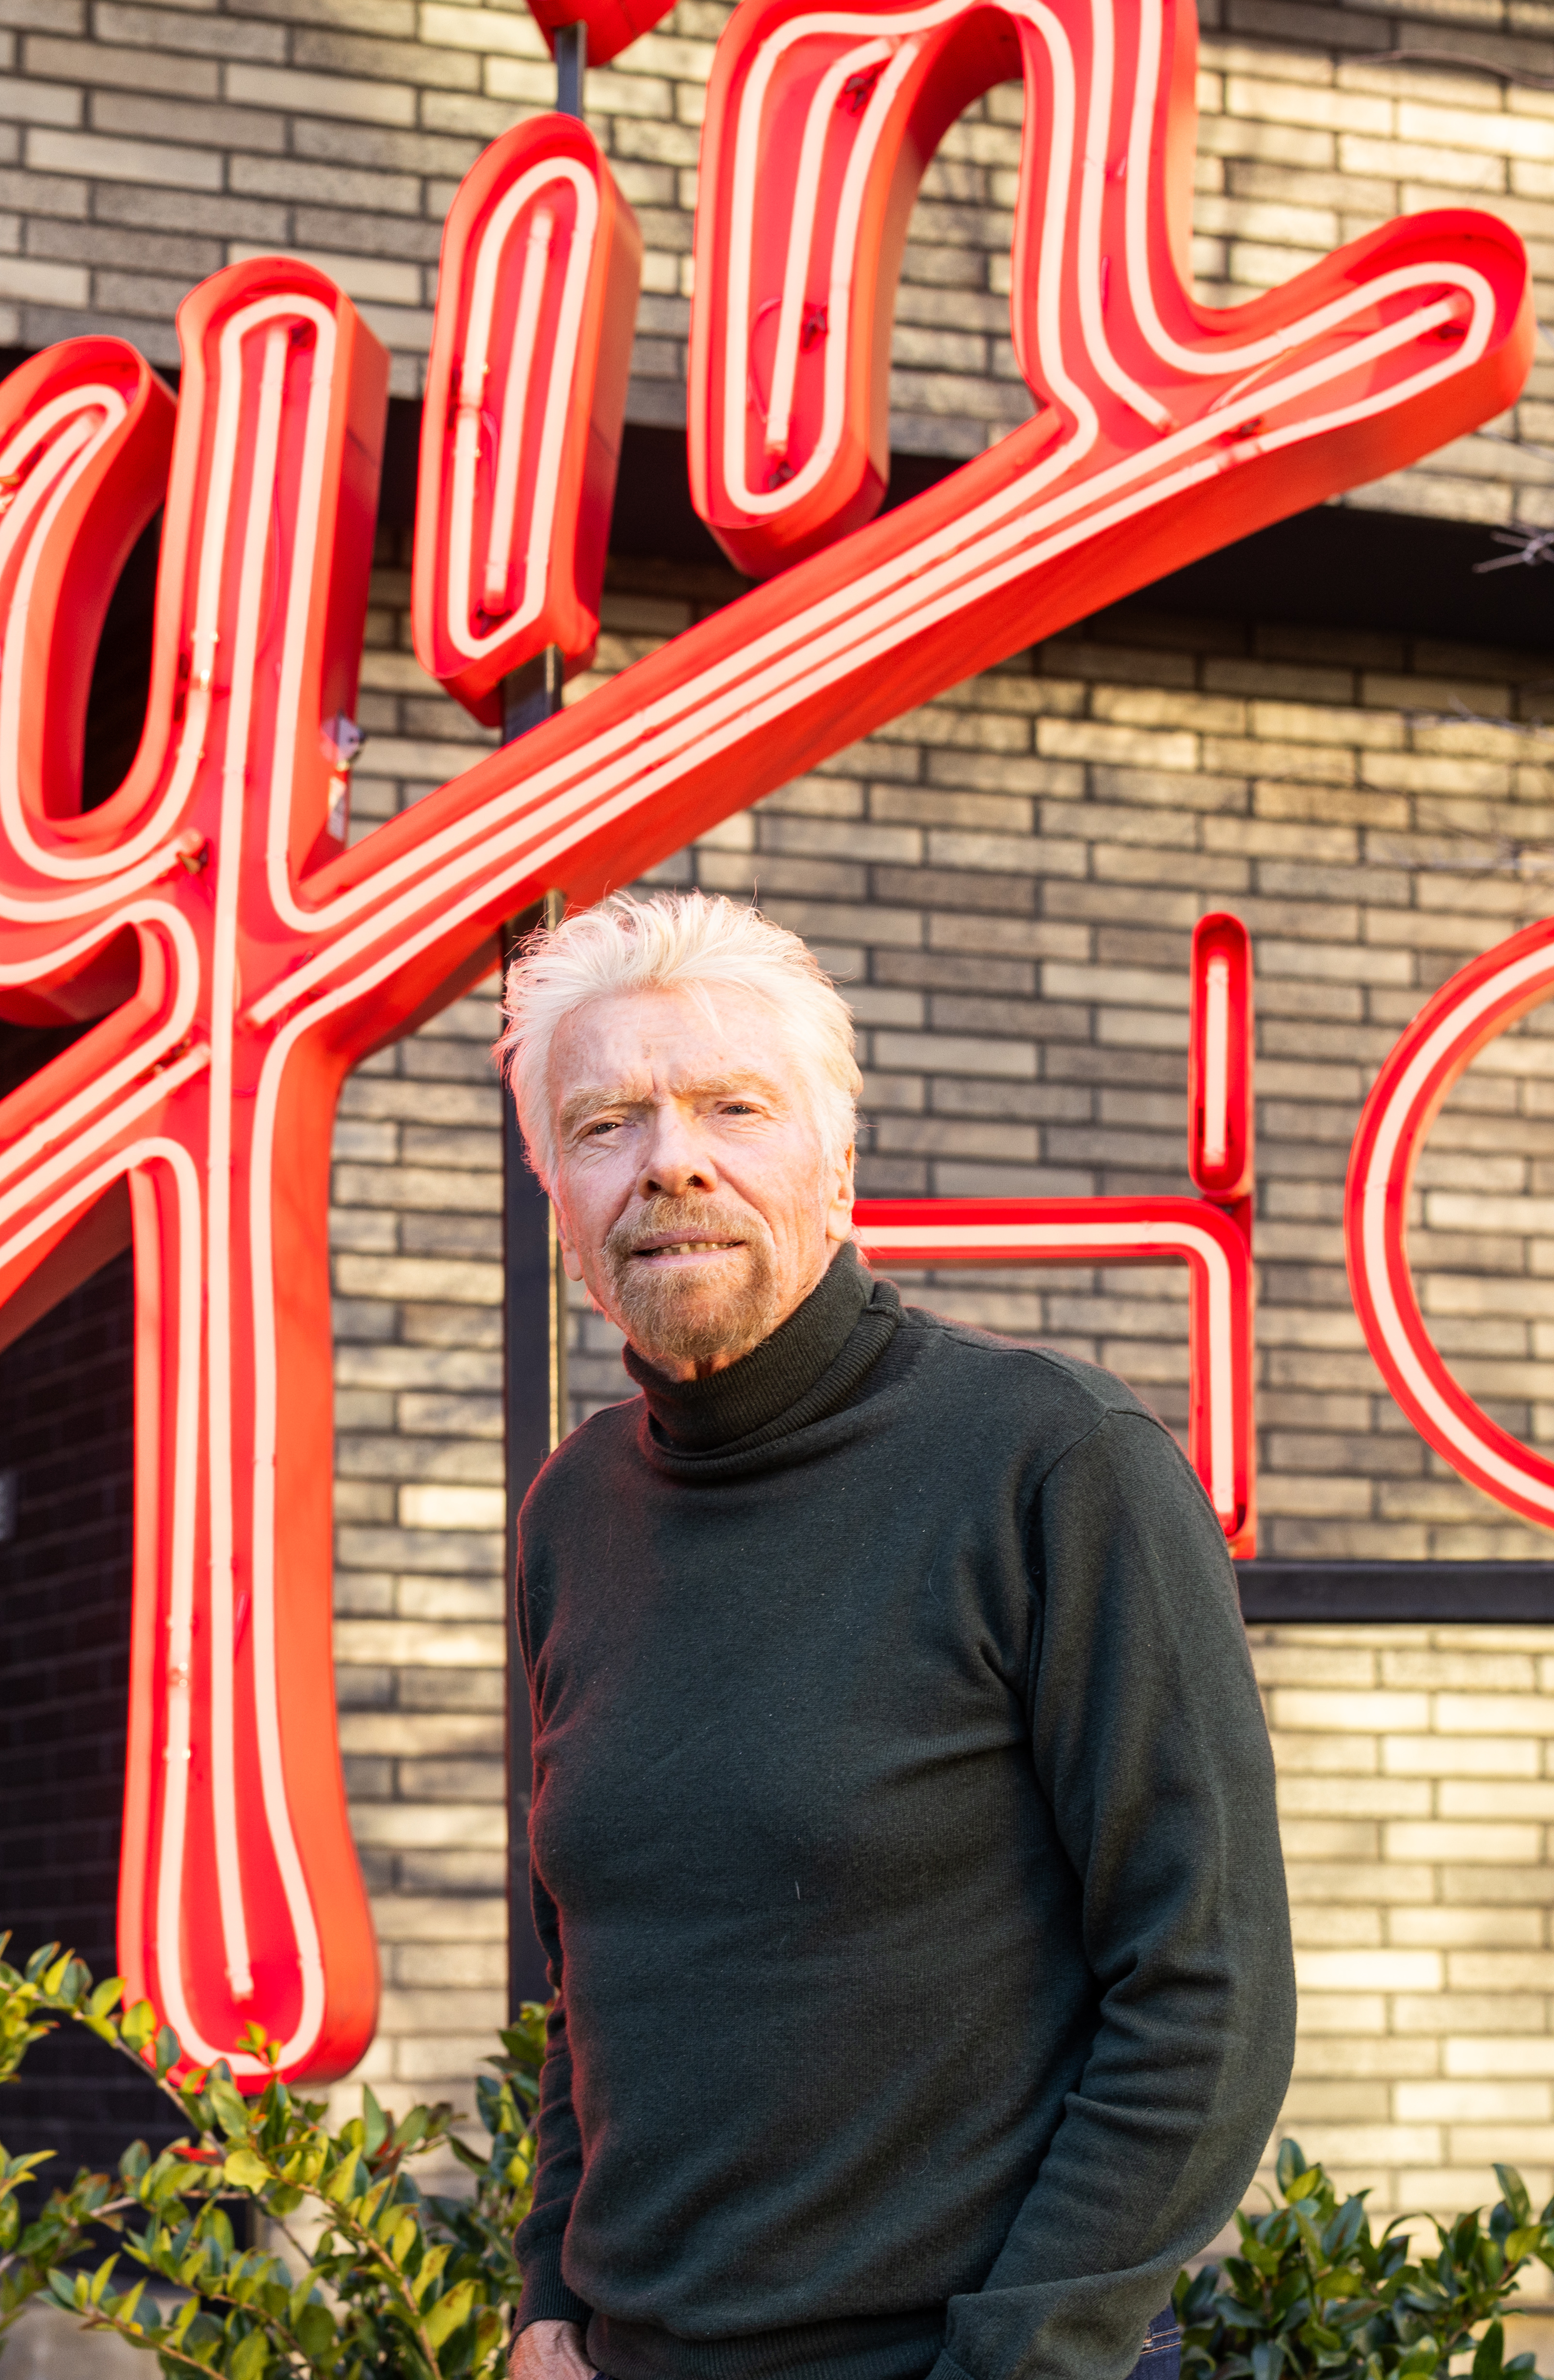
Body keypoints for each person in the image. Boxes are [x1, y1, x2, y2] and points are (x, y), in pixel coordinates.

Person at [497, 891, 1292, 2380]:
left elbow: (1207, 1987)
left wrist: (1020, 2361)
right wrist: (548, 2294)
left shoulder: (1052, 1458)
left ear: (838, 1161)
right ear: (559, 1188)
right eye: (605, 1123)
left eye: (733, 1105)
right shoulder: (570, 1512)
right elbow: (587, 1987)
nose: (671, 1157)